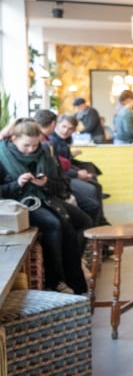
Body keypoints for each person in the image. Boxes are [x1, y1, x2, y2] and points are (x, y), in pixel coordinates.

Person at [0, 118, 90, 294]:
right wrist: (17, 184)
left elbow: (62, 185)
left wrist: (46, 183)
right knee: (54, 225)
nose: (31, 149)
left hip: (46, 198)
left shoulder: (45, 153)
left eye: (35, 145)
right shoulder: (2, 157)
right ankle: (55, 280)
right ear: (14, 139)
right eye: (26, 145)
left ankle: (71, 267)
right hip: (19, 204)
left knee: (84, 222)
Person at [35, 110, 106, 226]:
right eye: (63, 126)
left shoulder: (53, 140)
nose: (65, 131)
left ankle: (100, 222)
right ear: (55, 124)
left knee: (92, 178)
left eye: (70, 129)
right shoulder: (48, 141)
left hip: (60, 177)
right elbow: (61, 165)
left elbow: (61, 162)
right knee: (92, 189)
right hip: (59, 179)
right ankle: (97, 226)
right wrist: (77, 173)